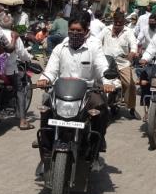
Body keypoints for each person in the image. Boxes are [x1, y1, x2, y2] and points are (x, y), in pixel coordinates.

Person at [35, 11, 114, 157]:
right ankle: (45, 153)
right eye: (72, 30)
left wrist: (107, 82)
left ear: (86, 32)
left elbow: (102, 67)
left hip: (88, 92)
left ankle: (96, 146)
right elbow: (51, 69)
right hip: (61, 92)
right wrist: (44, 79)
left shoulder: (93, 47)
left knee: (102, 109)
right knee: (45, 109)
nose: (74, 33)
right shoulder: (60, 48)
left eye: (79, 31)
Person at [99, 12, 138, 117]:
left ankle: (131, 107)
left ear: (124, 23)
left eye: (120, 23)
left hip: (122, 63)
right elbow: (97, 42)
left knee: (129, 84)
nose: (117, 25)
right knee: (97, 82)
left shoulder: (128, 32)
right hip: (106, 62)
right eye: (116, 23)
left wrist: (132, 53)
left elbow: (134, 44)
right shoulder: (106, 30)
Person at [0, 14, 34, 130]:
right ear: (12, 25)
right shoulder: (14, 35)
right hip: (8, 70)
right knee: (20, 90)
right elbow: (22, 54)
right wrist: (29, 58)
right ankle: (23, 121)